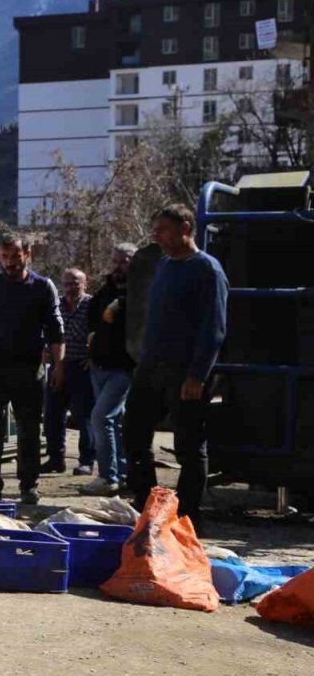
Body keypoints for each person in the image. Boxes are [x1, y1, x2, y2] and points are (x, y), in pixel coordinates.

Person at [124, 205, 227, 524]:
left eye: (163, 228)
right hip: (151, 368)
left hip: (186, 373)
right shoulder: (165, 265)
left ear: (185, 228)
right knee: (134, 433)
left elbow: (214, 328)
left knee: (188, 445)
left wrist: (197, 375)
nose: (156, 234)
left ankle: (186, 517)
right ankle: (147, 507)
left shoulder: (207, 270)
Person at [0, 234, 64, 505]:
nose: (9, 263)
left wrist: (59, 366)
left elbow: (56, 331)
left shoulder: (43, 287)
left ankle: (29, 486)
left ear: (27, 254)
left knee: (29, 429)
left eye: (15, 257)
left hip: (30, 370)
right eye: (4, 257)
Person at [81, 244, 137, 495]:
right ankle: (121, 475)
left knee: (100, 418)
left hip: (122, 368)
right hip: (99, 365)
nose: (118, 266)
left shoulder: (140, 293)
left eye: (123, 261)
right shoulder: (106, 290)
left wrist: (122, 304)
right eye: (115, 261)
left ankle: (107, 476)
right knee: (114, 422)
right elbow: (92, 319)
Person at [42, 268, 96, 476]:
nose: (70, 288)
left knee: (85, 416)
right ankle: (56, 458)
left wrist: (94, 357)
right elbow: (50, 332)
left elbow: (101, 333)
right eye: (66, 284)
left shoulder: (92, 305)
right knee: (53, 415)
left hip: (82, 367)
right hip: (58, 366)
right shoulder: (56, 305)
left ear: (84, 283)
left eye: (75, 283)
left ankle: (86, 460)